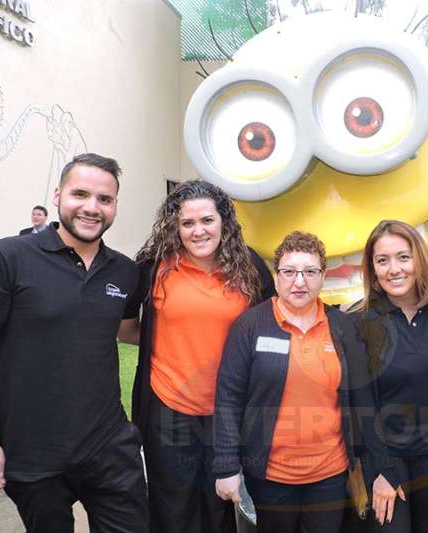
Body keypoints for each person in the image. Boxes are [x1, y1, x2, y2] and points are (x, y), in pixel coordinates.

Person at [0, 153, 148, 533]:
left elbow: (127, 331)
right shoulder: (9, 257)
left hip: (109, 447)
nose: (92, 208)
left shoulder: (125, 271)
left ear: (114, 207)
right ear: (58, 195)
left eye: (105, 199)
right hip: (33, 452)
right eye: (81, 194)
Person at [119, 179, 274, 533]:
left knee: (225, 502)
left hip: (232, 411)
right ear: (174, 225)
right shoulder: (153, 267)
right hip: (168, 409)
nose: (198, 231)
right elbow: (127, 328)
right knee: (171, 505)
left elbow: (270, 331)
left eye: (207, 220)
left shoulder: (249, 267)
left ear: (224, 221)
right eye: (187, 223)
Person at [213, 231, 381, 533]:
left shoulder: (342, 327)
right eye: (289, 272)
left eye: (310, 272)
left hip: (330, 474)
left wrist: (380, 463)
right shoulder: (250, 325)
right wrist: (226, 466)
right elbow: (228, 397)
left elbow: (361, 397)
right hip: (271, 476)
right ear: (276, 276)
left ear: (323, 275)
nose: (299, 281)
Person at [349, 220, 428, 533]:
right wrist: (382, 469)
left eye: (403, 257)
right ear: (372, 268)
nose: (394, 269)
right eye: (382, 261)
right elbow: (362, 405)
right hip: (387, 458)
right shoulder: (359, 322)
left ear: (419, 260)